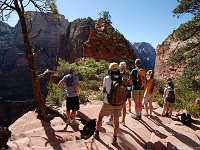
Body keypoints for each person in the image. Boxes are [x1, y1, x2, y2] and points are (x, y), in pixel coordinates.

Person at [93, 62, 123, 145]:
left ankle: (97, 132)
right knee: (116, 122)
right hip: (118, 103)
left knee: (100, 117)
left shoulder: (107, 78)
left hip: (108, 103)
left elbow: (104, 89)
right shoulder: (121, 78)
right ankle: (115, 137)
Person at [104, 61, 131, 126]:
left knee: (114, 103)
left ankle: (111, 119)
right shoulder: (128, 74)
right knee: (124, 107)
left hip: (117, 92)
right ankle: (123, 120)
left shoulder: (119, 75)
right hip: (125, 92)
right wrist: (127, 89)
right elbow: (130, 83)